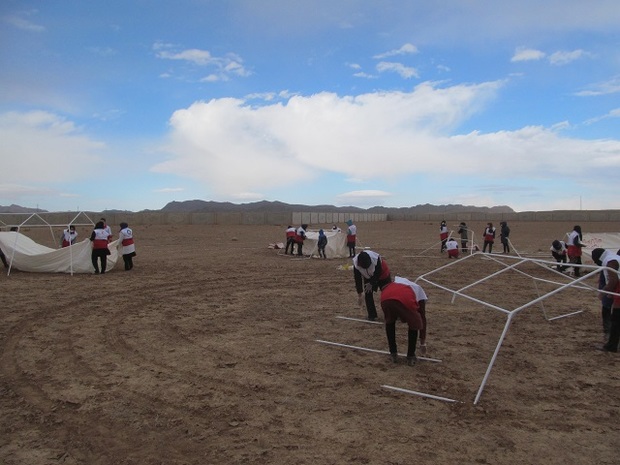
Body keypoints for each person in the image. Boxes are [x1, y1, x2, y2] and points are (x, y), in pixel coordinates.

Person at [380, 276, 428, 366]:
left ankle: (393, 353)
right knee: (415, 323)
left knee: (390, 321)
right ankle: (410, 356)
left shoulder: (398, 283)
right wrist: (422, 343)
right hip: (404, 298)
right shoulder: (419, 294)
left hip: (385, 296)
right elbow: (422, 319)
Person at [591, 248, 620, 352]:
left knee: (616, 318)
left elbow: (613, 280)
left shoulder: (610, 261)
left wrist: (603, 292)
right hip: (618, 288)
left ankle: (611, 346)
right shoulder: (614, 258)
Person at [353, 250, 391, 321]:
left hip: (382, 274)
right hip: (368, 276)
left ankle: (393, 313)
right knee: (368, 294)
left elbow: (378, 273)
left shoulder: (376, 259)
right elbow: (357, 278)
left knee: (388, 293)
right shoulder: (356, 264)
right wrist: (360, 293)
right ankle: (372, 315)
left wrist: (372, 283)